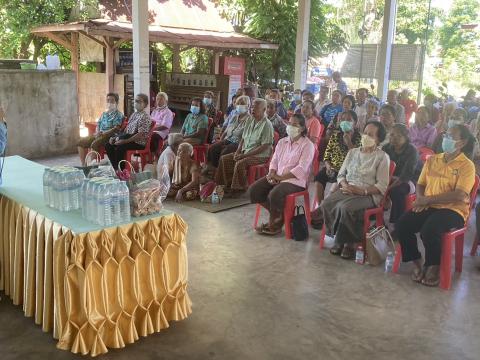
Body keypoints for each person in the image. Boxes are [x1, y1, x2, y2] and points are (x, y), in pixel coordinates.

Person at [395, 125, 475, 286]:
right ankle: (416, 260)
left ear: (462, 142)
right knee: (402, 224)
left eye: (452, 137)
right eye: (446, 134)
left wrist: (427, 200)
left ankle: (433, 266)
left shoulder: (467, 166)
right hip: (429, 205)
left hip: (454, 210)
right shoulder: (433, 159)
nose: (446, 139)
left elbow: (460, 194)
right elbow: (421, 184)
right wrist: (421, 198)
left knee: (429, 230)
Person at [321, 121, 390, 259]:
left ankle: (349, 243)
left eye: (371, 135)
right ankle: (338, 237)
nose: (366, 136)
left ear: (378, 139)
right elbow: (341, 174)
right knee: (326, 203)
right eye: (365, 133)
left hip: (368, 194)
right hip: (349, 189)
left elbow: (382, 186)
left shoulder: (382, 157)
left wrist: (362, 191)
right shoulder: (352, 152)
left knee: (346, 207)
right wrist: (345, 185)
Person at [248, 113, 315, 235]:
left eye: (295, 124)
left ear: (302, 128)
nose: (291, 126)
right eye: (289, 123)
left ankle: (274, 224)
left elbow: (302, 168)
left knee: (275, 194)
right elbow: (274, 159)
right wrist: (272, 173)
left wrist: (281, 177)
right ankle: (280, 215)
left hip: (295, 181)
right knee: (254, 190)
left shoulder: (308, 145)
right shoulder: (282, 142)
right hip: (276, 176)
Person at [215, 98, 274, 193]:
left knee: (240, 163)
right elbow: (243, 138)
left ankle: (239, 189)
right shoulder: (250, 120)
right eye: (252, 107)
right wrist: (238, 151)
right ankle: (224, 184)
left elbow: (264, 146)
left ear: (264, 110)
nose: (253, 110)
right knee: (225, 159)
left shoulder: (267, 124)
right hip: (246, 151)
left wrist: (245, 155)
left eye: (256, 108)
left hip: (261, 155)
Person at [314, 110, 361, 204]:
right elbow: (327, 155)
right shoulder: (335, 136)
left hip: (348, 171)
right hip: (333, 168)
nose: (345, 121)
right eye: (342, 119)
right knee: (319, 177)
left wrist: (349, 143)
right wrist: (328, 166)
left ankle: (328, 205)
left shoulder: (359, 138)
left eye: (349, 120)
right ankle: (320, 205)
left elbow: (357, 158)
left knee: (334, 194)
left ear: (355, 123)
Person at [382, 124, 419, 225]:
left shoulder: (412, 151)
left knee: (396, 191)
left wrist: (387, 189)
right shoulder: (386, 148)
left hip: (409, 180)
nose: (394, 138)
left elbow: (405, 176)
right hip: (390, 178)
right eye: (392, 135)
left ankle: (398, 223)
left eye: (399, 136)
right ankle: (377, 218)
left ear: (406, 138)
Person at [105, 93, 152, 170]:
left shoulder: (145, 117)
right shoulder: (134, 114)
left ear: (145, 104)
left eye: (139, 101)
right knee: (108, 145)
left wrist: (125, 141)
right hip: (128, 139)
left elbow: (140, 134)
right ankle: (116, 168)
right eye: (135, 101)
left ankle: (122, 170)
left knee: (120, 147)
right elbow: (126, 130)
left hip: (138, 142)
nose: (136, 103)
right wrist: (115, 137)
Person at [77, 93, 124, 166]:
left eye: (112, 101)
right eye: (108, 100)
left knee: (94, 144)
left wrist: (103, 133)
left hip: (109, 136)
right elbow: (98, 124)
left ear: (116, 102)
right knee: (80, 142)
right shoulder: (104, 114)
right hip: (99, 134)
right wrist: (97, 132)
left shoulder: (119, 115)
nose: (109, 103)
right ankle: (84, 165)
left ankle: (93, 166)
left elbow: (115, 129)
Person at [207, 95, 251, 170]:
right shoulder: (235, 117)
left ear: (248, 106)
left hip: (239, 143)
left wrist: (239, 149)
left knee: (224, 152)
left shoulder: (249, 119)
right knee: (212, 148)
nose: (240, 105)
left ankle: (219, 172)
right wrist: (221, 140)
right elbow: (227, 130)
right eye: (238, 103)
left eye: (242, 103)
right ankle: (213, 168)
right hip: (229, 139)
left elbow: (245, 137)